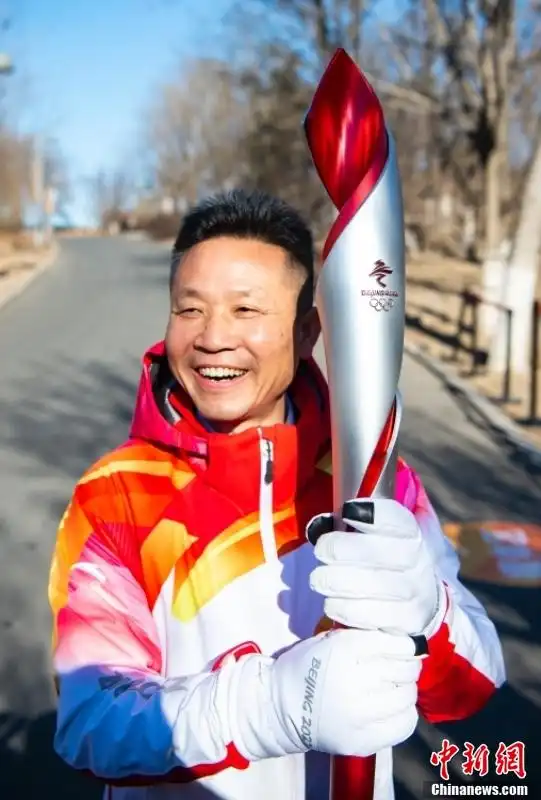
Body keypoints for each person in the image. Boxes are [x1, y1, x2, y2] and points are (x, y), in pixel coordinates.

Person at [48, 189, 505, 800]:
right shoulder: (118, 495)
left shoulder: (372, 480)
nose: (213, 337)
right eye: (190, 309)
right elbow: (90, 722)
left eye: (246, 310)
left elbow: (473, 685)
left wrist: (428, 613)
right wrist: (275, 707)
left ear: (307, 330)